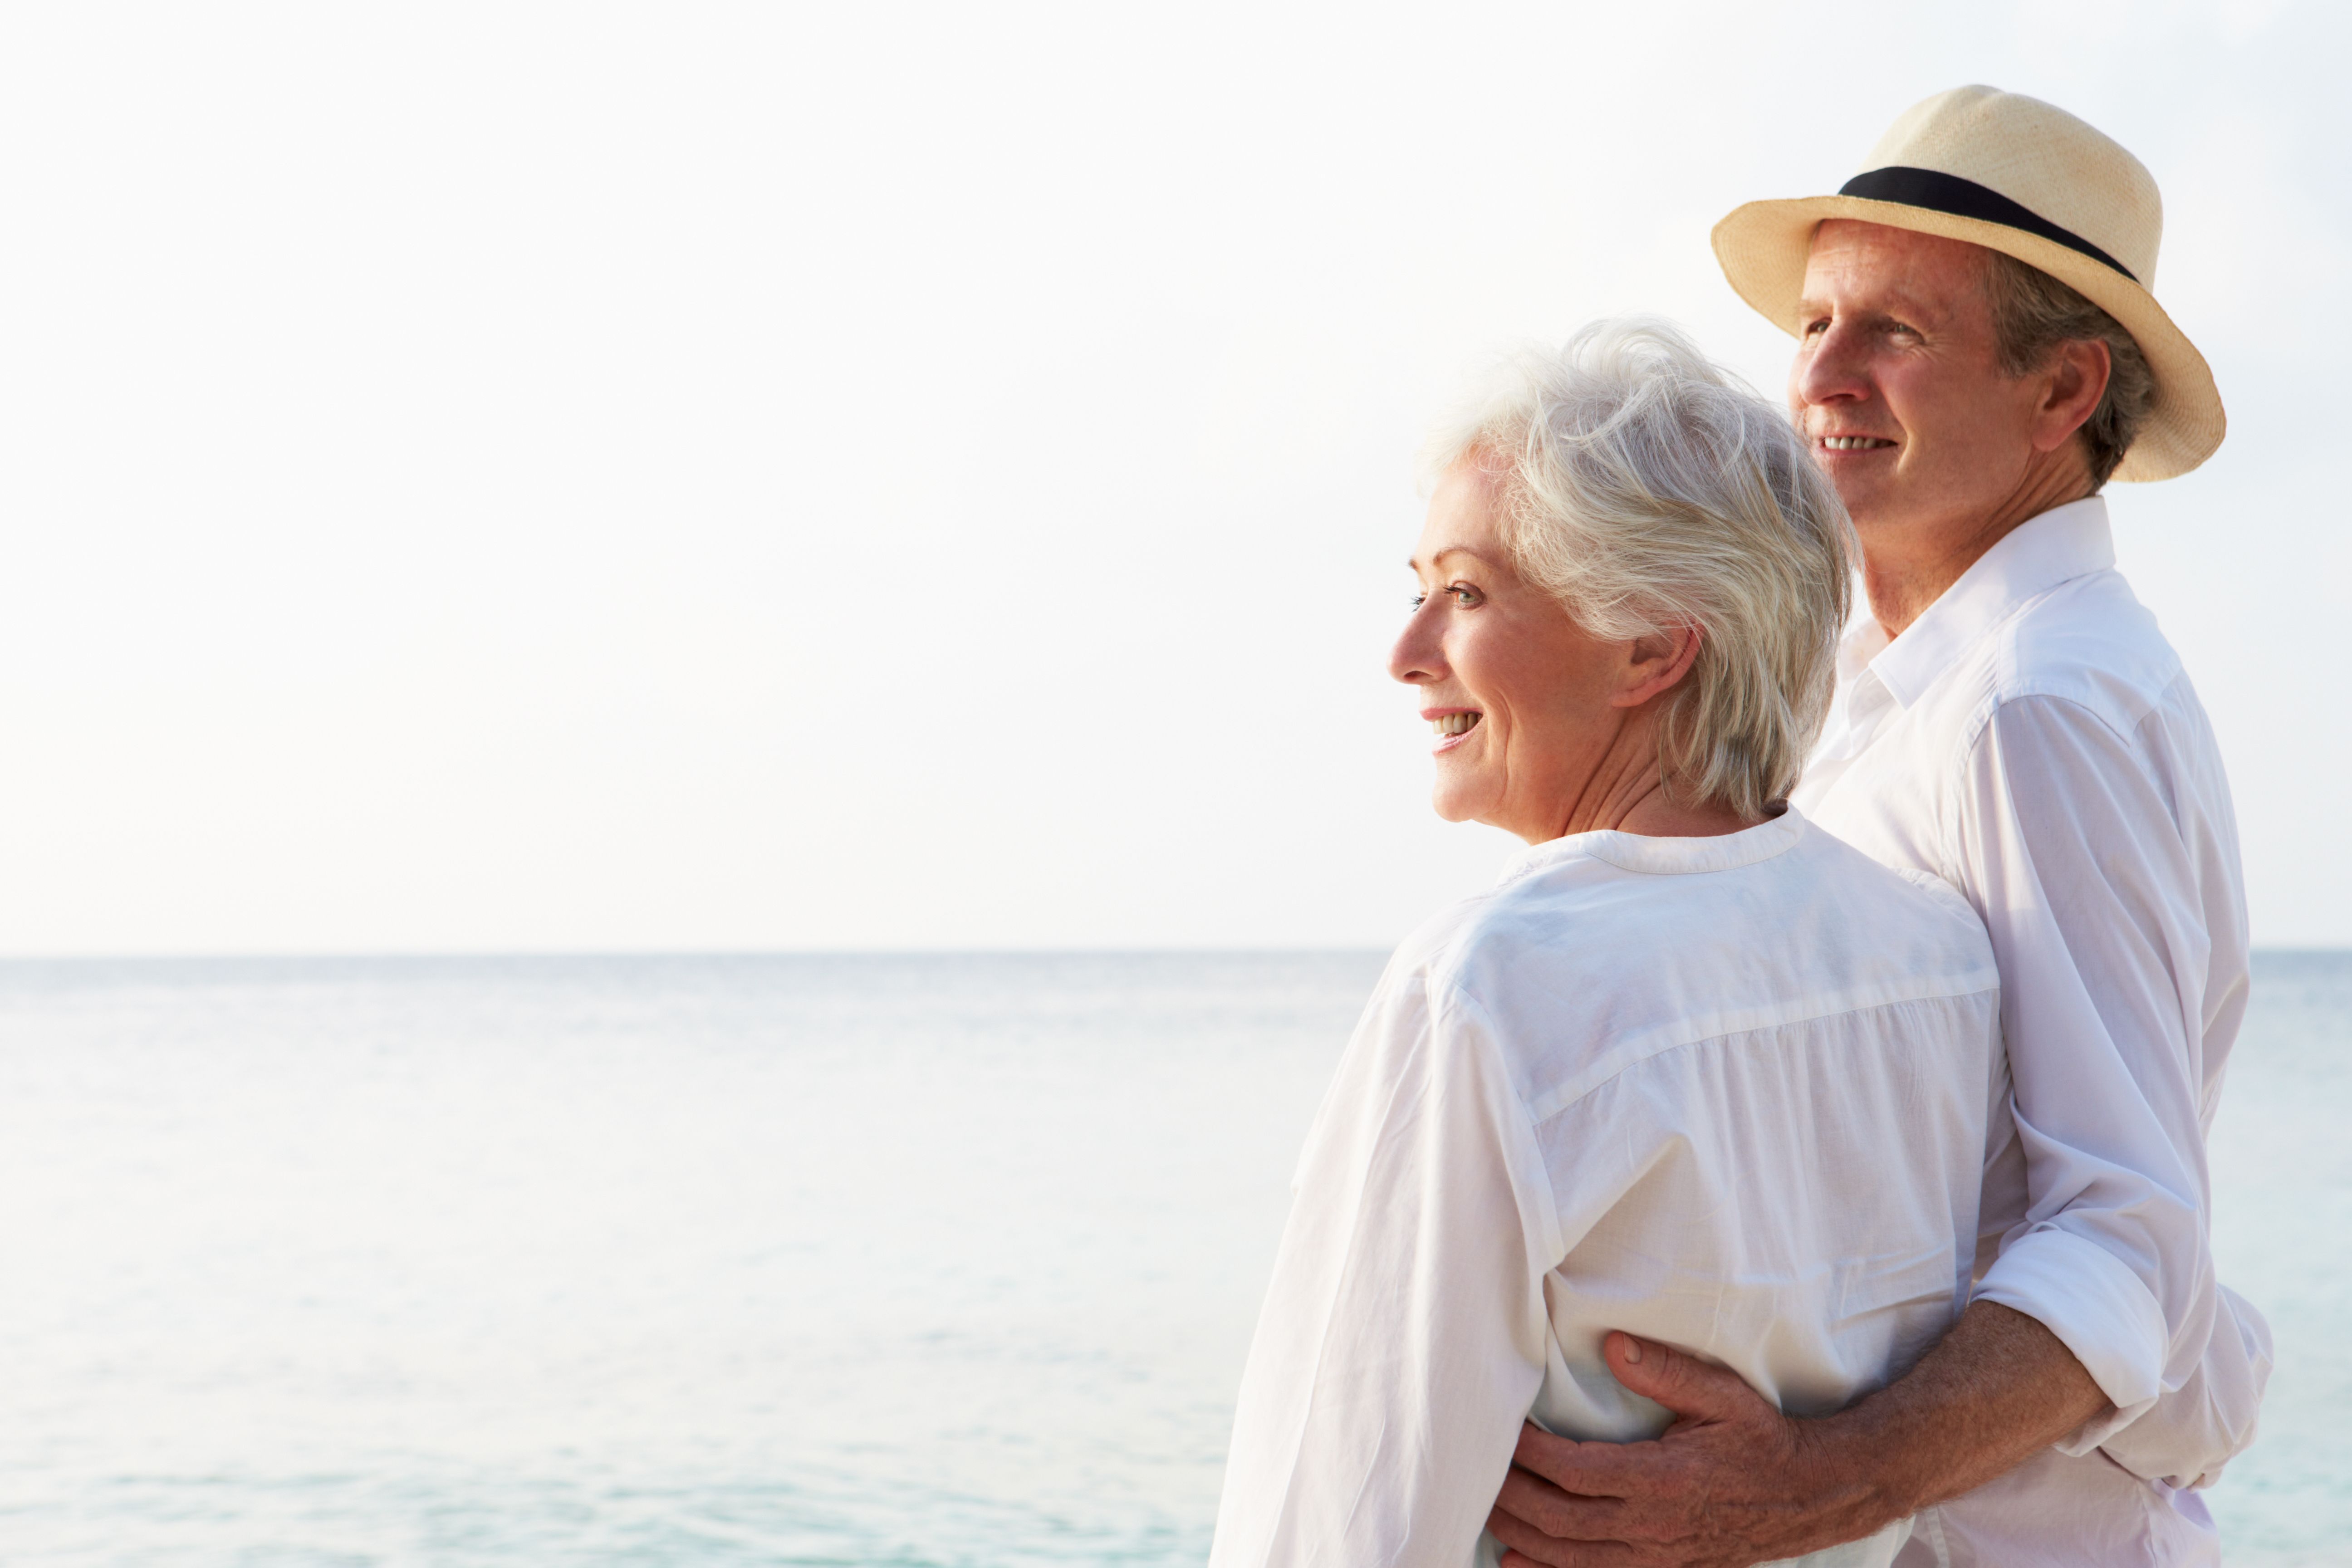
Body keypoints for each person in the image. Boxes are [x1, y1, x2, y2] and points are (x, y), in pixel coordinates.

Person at [1489, 87, 2271, 1568]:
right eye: (1816, 323)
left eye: (1894, 333)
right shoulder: (1913, 688)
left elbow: (2126, 1240)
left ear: (2061, 394)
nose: (1822, 377)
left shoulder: (2030, 711)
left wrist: (1819, 1487)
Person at [1207, 319, 2006, 1568]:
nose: (1407, 654)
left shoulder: (1492, 986)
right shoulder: (1942, 963)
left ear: (1651, 646)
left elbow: (1341, 1517)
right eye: (1416, 591)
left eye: (1465, 593)